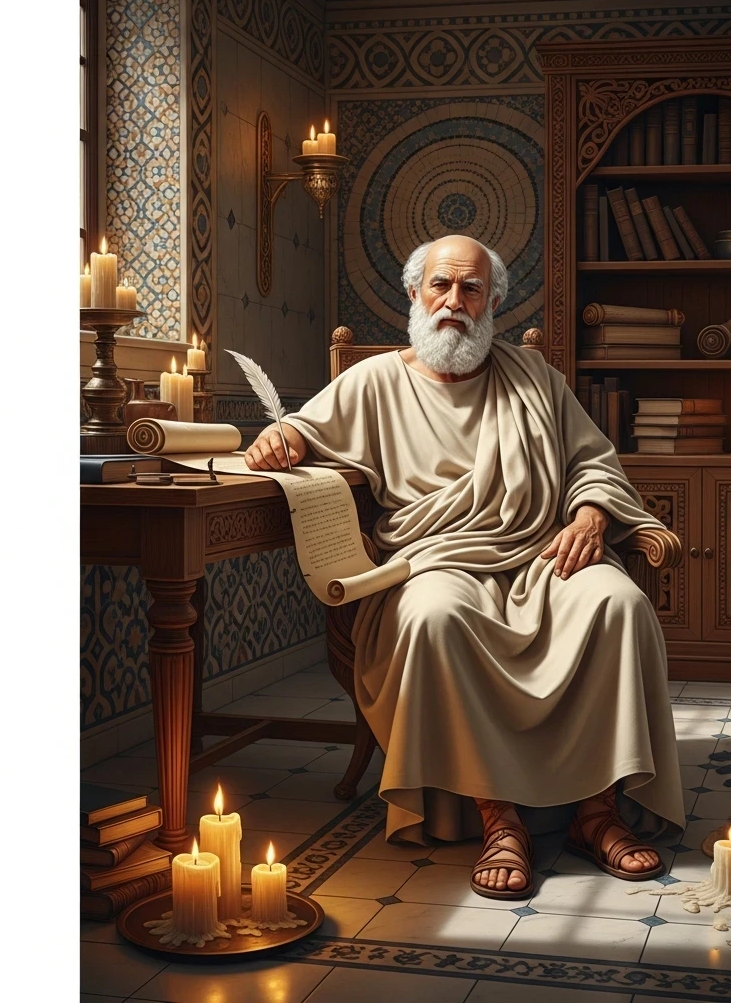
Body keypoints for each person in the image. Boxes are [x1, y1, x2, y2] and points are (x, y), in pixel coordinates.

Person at [245, 234, 683, 900]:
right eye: (440, 286)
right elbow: (302, 432)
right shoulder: (373, 381)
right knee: (435, 615)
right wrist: (281, 437)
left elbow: (592, 462)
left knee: (617, 603)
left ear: (494, 301)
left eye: (470, 289)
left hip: (540, 553)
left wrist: (592, 515)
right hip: (435, 563)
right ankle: (496, 815)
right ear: (416, 295)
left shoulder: (534, 377)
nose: (454, 302)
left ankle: (596, 811)